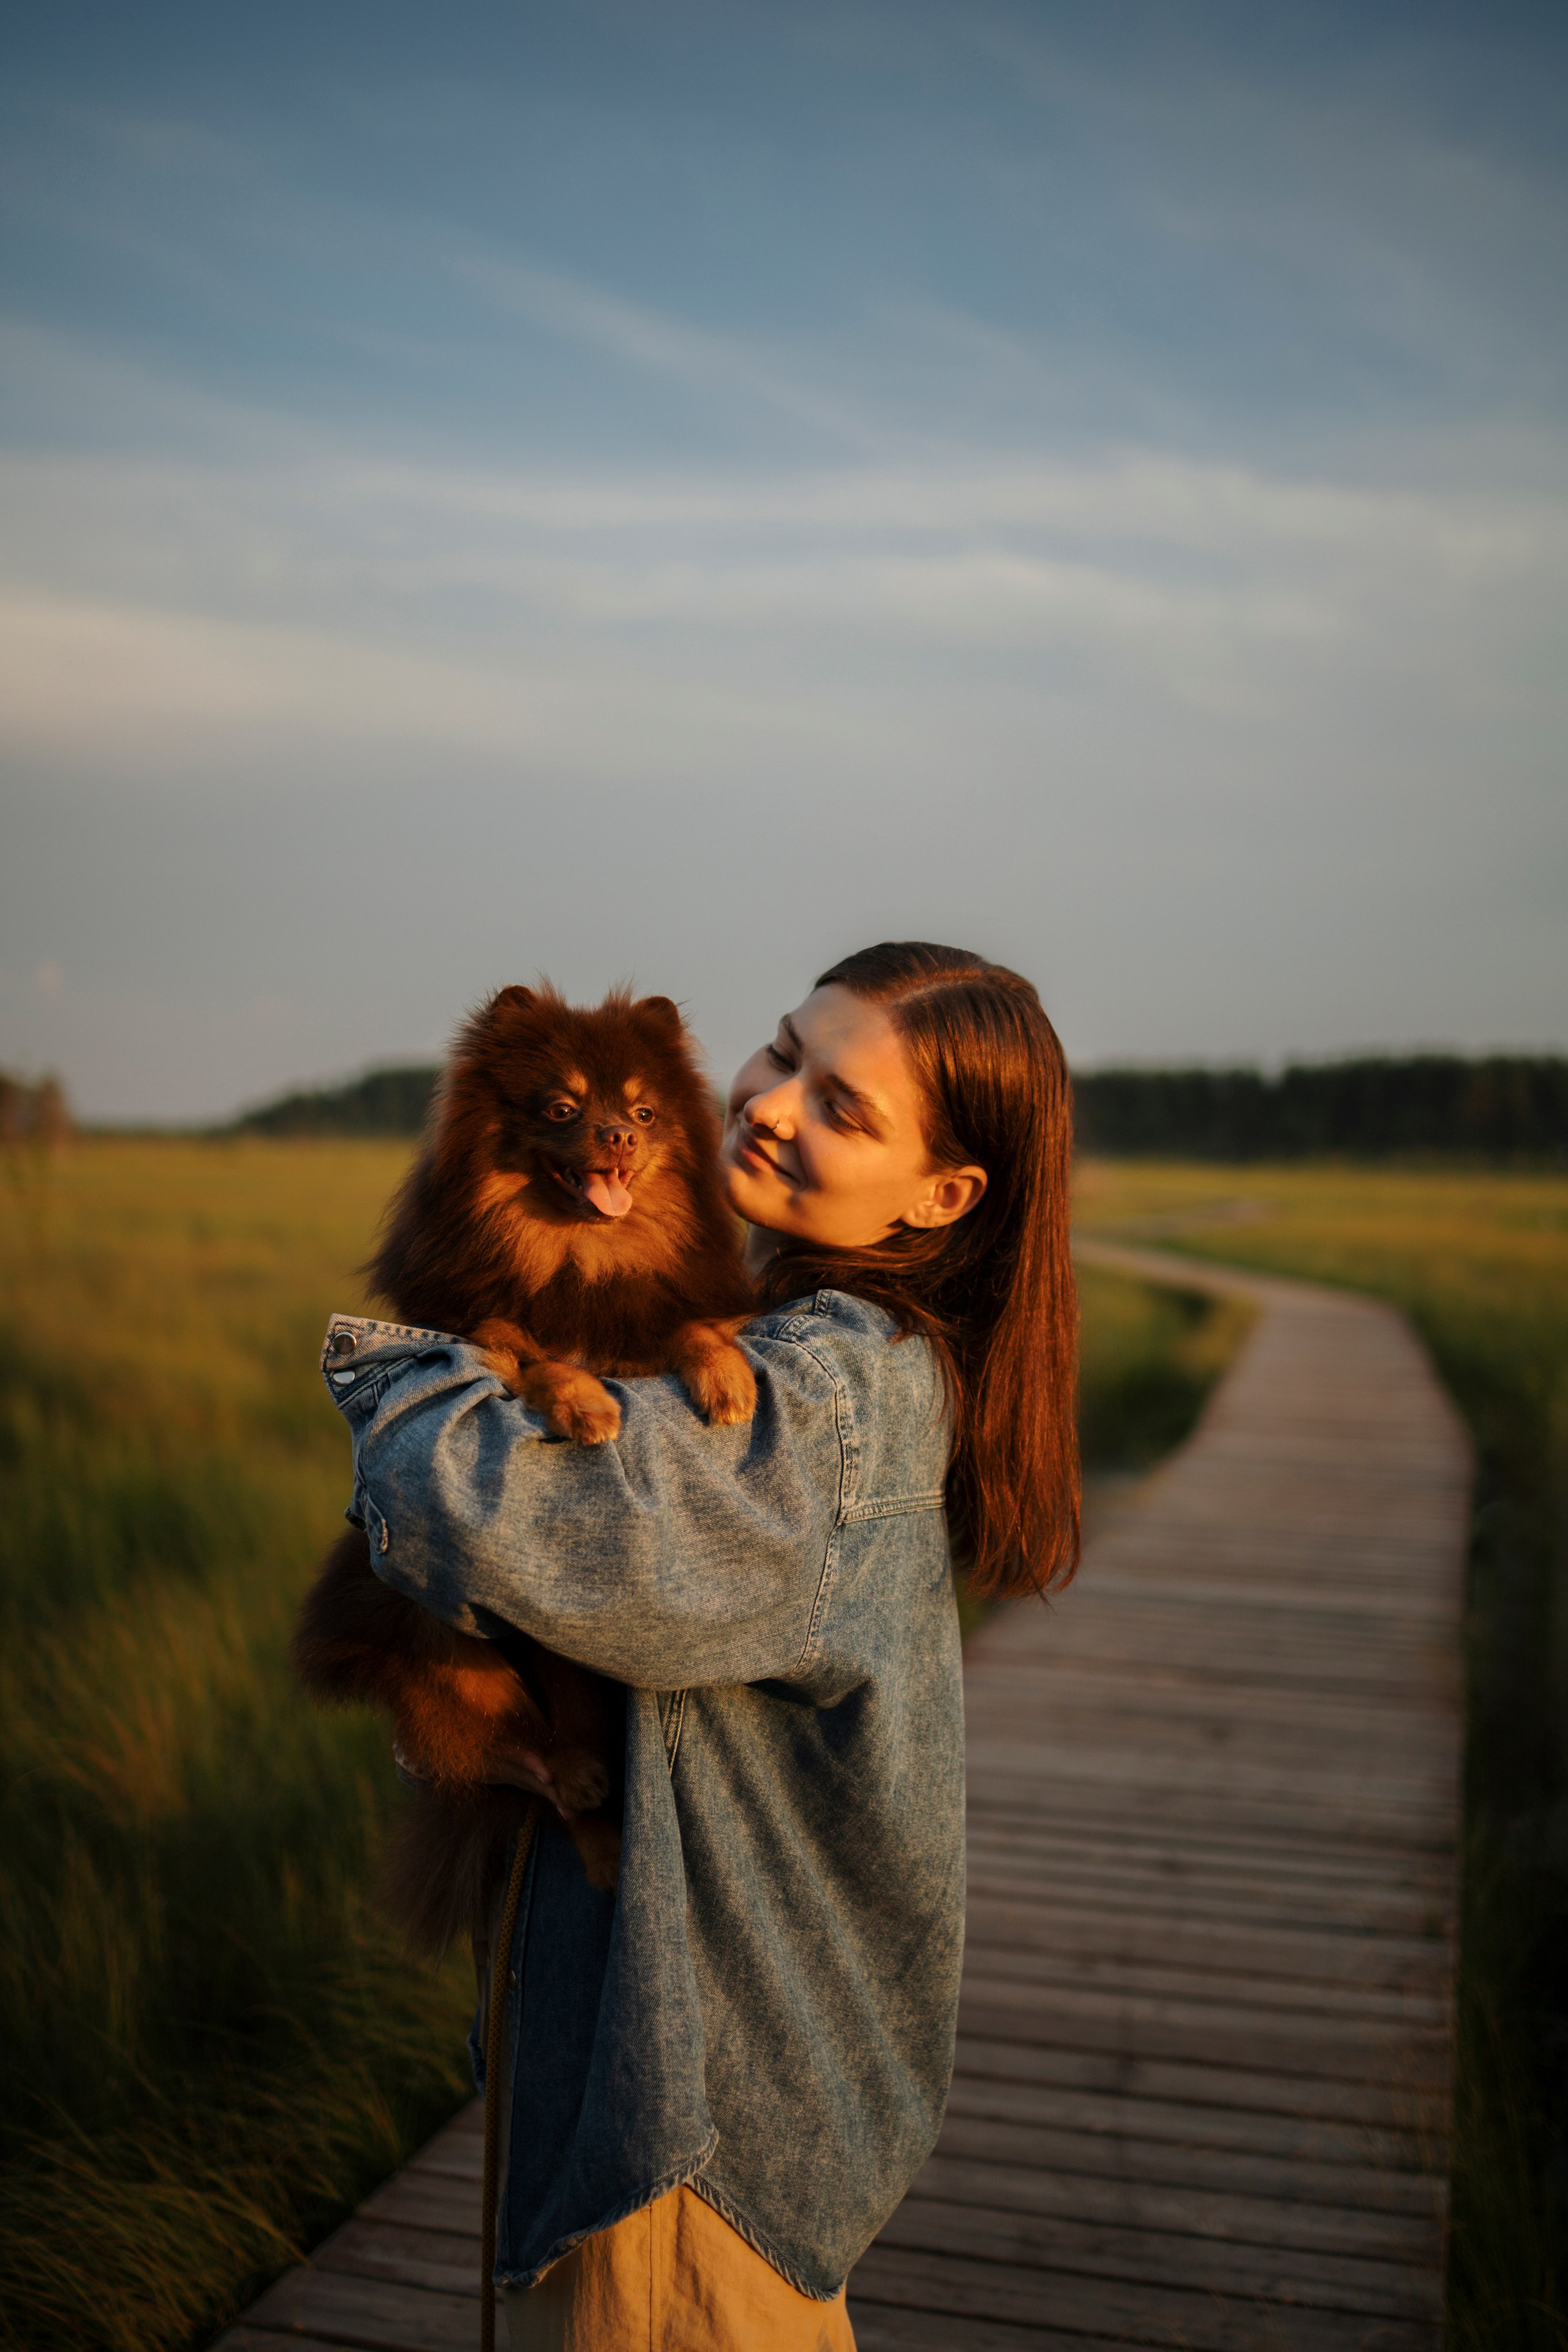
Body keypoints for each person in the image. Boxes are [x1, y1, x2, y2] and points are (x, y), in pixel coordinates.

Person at [320, 941, 1079, 2351]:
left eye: (843, 1107)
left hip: (681, 2129)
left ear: (943, 1194)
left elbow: (488, 1520)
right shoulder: (796, 1330)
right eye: (786, 1051)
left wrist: (402, 1376)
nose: (775, 1102)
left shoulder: (817, 1397)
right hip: (676, 2084)